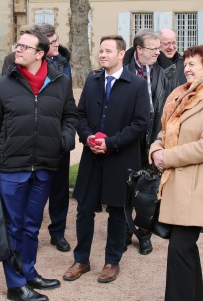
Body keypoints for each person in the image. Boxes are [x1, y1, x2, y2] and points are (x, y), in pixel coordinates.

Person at [0, 28, 77, 301]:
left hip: (44, 166)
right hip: (11, 168)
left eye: (24, 46)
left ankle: (29, 271)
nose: (18, 49)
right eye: (18, 45)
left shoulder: (60, 82)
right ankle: (15, 284)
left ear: (40, 54)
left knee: (32, 225)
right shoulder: (3, 84)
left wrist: (64, 140)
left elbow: (70, 116)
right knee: (12, 226)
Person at [149, 44, 203, 301]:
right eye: (185, 64)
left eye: (192, 64)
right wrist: (155, 151)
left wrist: (168, 157)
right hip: (176, 183)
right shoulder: (180, 96)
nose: (186, 68)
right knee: (184, 249)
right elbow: (164, 132)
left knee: (180, 248)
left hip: (199, 185)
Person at [63, 35, 150, 284]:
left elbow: (140, 123)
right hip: (93, 159)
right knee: (83, 210)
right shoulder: (92, 80)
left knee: (117, 212)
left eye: (108, 51)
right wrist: (89, 137)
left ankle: (112, 262)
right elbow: (80, 116)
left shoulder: (136, 84)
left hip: (121, 159)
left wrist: (110, 143)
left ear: (121, 54)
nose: (102, 54)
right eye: (100, 50)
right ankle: (81, 260)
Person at [123, 29, 174, 255]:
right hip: (130, 138)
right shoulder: (123, 71)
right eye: (154, 48)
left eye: (159, 48)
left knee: (149, 190)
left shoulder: (166, 71)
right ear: (139, 49)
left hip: (155, 137)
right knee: (126, 186)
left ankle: (143, 233)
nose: (158, 52)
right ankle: (124, 229)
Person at [32, 23, 74, 253]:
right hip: (33, 137)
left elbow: (69, 105)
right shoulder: (17, 62)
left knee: (59, 190)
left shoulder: (63, 64)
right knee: (34, 187)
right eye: (52, 41)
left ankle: (57, 233)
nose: (57, 44)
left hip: (57, 138)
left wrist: (66, 136)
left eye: (57, 40)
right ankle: (31, 233)